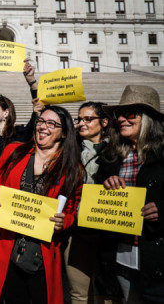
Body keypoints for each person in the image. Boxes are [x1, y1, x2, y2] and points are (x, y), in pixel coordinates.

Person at [0, 105, 84, 304]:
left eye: (52, 123)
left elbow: (72, 208)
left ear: (64, 133)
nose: (43, 126)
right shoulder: (14, 150)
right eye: (41, 121)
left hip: (39, 252)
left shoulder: (73, 169)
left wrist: (65, 221)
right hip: (4, 245)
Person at [96, 85, 164, 303]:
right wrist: (104, 185)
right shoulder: (111, 155)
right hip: (121, 257)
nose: (122, 119)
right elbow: (95, 197)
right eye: (119, 114)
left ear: (149, 119)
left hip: (156, 259)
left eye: (131, 113)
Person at [64, 102, 120, 304]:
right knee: (79, 293)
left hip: (108, 231)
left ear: (104, 122)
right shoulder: (68, 149)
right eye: (79, 119)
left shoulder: (119, 149)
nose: (81, 123)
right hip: (77, 231)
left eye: (88, 119)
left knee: (109, 293)